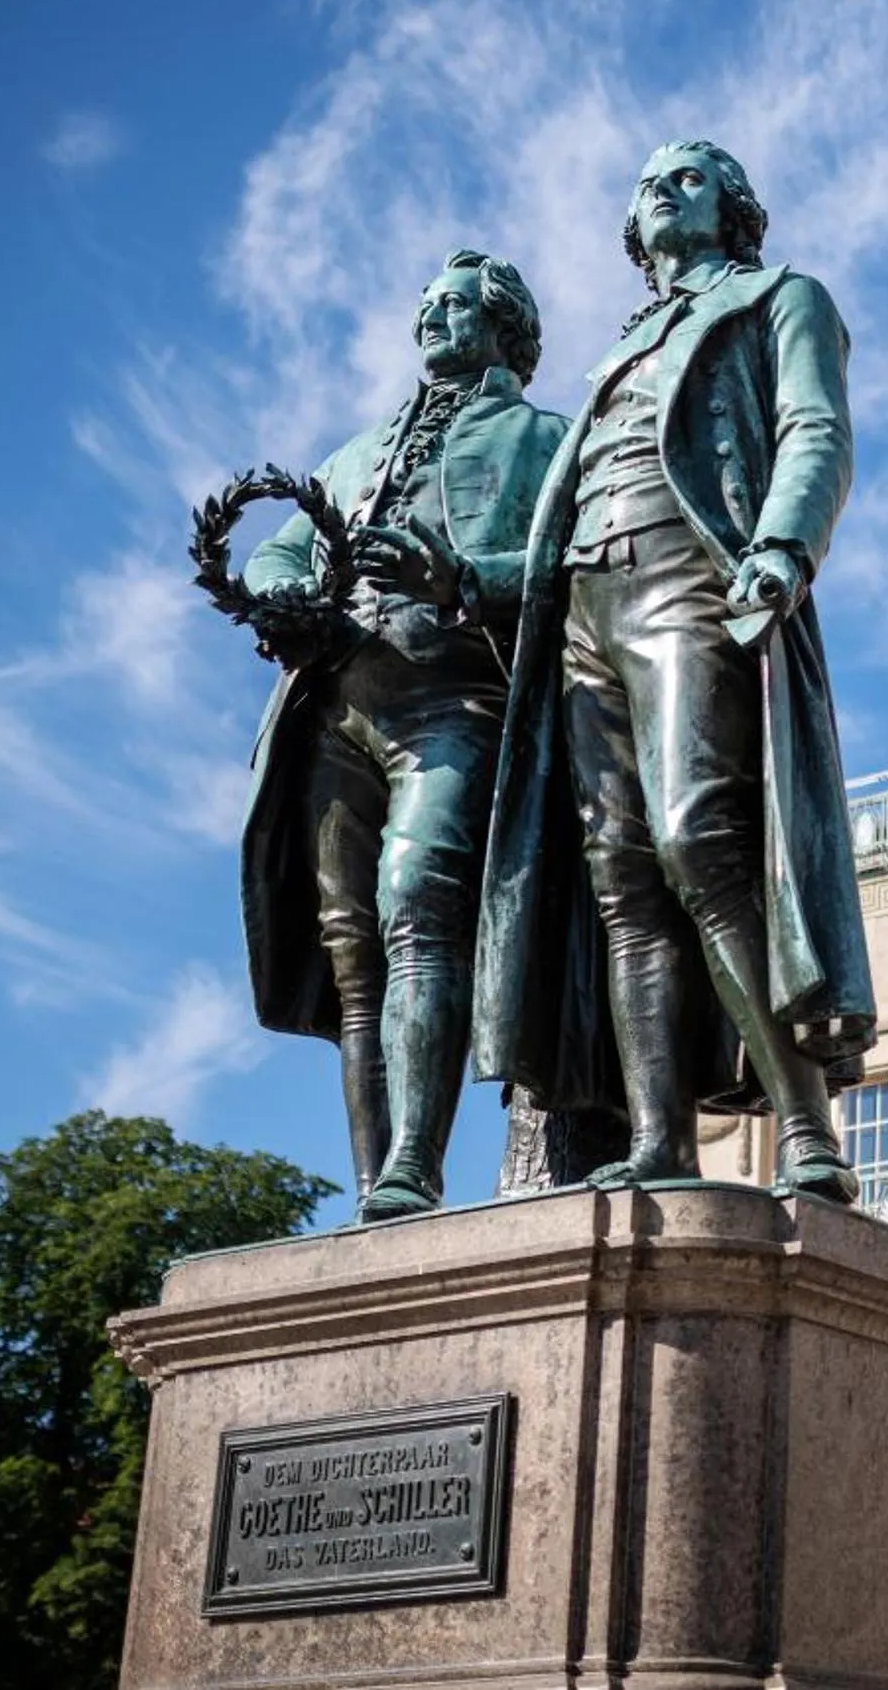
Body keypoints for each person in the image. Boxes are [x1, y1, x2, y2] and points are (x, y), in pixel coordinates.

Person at [474, 142, 876, 1202]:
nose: (662, 188)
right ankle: (659, 1137)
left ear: (735, 208)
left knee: (698, 837)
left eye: (690, 175)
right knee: (620, 877)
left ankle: (806, 1130)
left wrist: (782, 546)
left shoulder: (781, 296)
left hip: (687, 575)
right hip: (581, 608)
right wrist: (460, 575)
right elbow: (559, 514)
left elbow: (815, 429)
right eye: (648, 181)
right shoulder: (618, 351)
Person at [239, 250, 570, 1219]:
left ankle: (413, 1166)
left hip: (456, 699)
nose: (432, 317)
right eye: (425, 304)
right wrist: (280, 592)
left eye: (455, 304)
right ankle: (375, 1184)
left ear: (504, 325)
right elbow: (277, 549)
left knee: (418, 902)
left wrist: (461, 576)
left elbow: (571, 561)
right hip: (333, 709)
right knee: (353, 951)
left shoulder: (547, 439)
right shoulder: (353, 455)